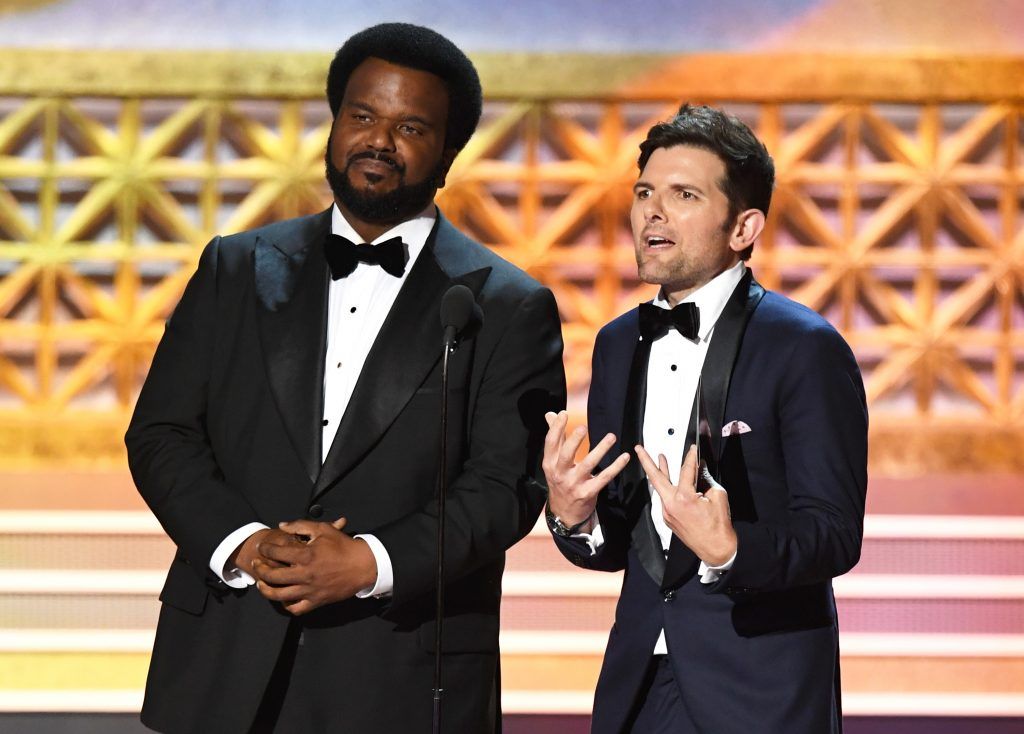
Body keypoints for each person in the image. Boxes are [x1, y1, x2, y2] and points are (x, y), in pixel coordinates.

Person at [126, 23, 565, 733]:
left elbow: (505, 488)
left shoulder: (509, 306)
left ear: (449, 154)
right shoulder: (234, 268)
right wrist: (241, 540)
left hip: (398, 674)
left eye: (411, 126)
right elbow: (162, 433)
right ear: (333, 126)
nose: (379, 141)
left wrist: (367, 563)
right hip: (225, 656)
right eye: (362, 116)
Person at [542, 103, 867, 734]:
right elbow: (621, 542)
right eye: (644, 194)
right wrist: (573, 516)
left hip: (759, 684)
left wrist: (731, 549)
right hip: (638, 679)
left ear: (743, 227)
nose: (652, 213)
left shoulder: (805, 347)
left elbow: (833, 534)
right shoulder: (616, 343)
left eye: (683, 194)